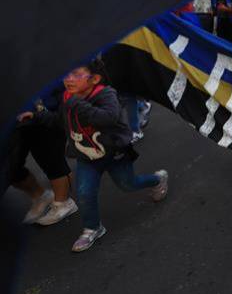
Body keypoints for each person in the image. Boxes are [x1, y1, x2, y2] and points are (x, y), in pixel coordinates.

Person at [27, 59, 169, 252]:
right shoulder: (69, 97)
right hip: (88, 157)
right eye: (67, 75)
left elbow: (108, 118)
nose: (69, 79)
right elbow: (62, 121)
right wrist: (38, 117)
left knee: (128, 184)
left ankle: (157, 179)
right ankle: (92, 228)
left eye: (76, 75)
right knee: (85, 192)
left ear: (94, 79)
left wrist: (77, 104)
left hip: (114, 154)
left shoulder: (105, 94)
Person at [10, 85, 76, 225]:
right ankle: (41, 197)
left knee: (52, 162)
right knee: (12, 168)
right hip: (18, 122)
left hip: (46, 116)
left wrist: (40, 112)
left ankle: (63, 202)